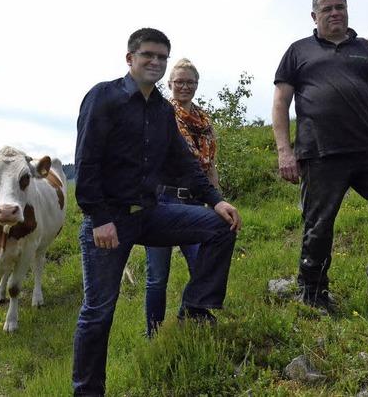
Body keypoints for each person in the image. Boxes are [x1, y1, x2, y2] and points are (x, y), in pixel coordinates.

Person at [72, 28, 241, 396]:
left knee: (219, 226)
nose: (155, 62)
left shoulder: (163, 111)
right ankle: (87, 391)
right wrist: (99, 218)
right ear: (129, 58)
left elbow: (183, 162)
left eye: (162, 56)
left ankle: (194, 311)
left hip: (150, 214)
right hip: (109, 220)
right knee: (98, 312)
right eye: (148, 54)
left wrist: (216, 199)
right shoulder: (104, 97)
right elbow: (86, 163)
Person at [271, 0, 368, 312]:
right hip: (321, 151)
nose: (335, 12)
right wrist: (285, 151)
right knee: (319, 224)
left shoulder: (365, 50)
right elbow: (281, 102)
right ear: (315, 16)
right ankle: (312, 292)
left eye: (340, 7)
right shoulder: (298, 51)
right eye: (327, 9)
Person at [144, 58, 219, 338]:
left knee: (201, 265)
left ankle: (188, 314)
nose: (184, 87)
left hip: (195, 201)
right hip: (163, 200)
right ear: (170, 84)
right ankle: (154, 334)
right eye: (179, 82)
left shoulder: (204, 121)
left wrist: (216, 199)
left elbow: (210, 164)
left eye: (190, 82)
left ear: (196, 85)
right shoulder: (161, 115)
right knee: (157, 276)